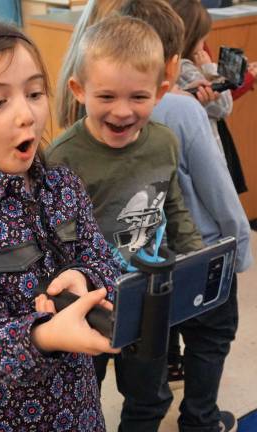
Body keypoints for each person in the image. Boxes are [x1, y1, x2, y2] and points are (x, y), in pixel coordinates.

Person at [0, 16, 121, 431]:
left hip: (75, 402)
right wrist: (46, 335)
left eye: (34, 93)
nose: (27, 115)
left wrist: (84, 278)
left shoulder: (63, 185)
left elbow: (105, 262)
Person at [47, 13, 203, 432]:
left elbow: (174, 205)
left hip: (151, 295)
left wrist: (194, 261)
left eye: (138, 97)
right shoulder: (62, 157)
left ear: (161, 92)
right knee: (81, 396)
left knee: (150, 398)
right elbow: (54, 242)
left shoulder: (165, 141)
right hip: (91, 303)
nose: (122, 111)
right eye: (106, 96)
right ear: (79, 91)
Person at [120, 1, 252, 431]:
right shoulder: (181, 109)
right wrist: (240, 249)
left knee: (154, 345)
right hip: (204, 250)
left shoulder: (104, 103)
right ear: (174, 57)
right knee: (211, 337)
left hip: (144, 255)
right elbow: (219, 192)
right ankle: (200, 419)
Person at [168, 0, 233, 157]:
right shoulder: (184, 68)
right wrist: (209, 69)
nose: (203, 46)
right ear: (191, 38)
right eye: (202, 40)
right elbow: (224, 106)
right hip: (206, 153)